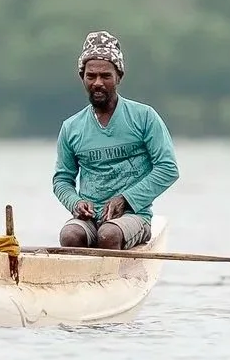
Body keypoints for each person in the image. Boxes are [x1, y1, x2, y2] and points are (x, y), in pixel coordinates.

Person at [53, 32, 178, 248]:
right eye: (91, 76)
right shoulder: (71, 127)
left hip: (134, 215)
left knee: (108, 234)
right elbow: (62, 180)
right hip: (90, 219)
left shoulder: (144, 117)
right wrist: (75, 203)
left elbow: (168, 169)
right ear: (82, 77)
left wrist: (125, 199)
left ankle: (109, 278)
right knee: (70, 236)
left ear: (118, 76)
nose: (98, 83)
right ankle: (83, 280)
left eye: (105, 76)